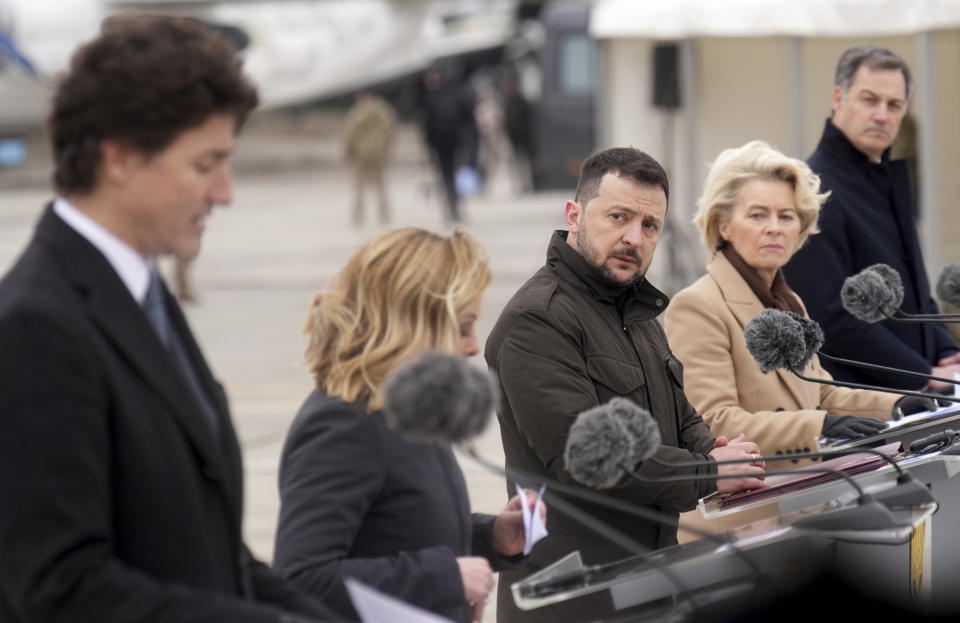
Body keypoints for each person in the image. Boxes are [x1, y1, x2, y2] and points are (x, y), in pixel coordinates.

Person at [0, 16, 331, 623]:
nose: (225, 193)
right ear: (121, 159)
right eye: (205, 166)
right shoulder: (35, 327)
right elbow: (60, 586)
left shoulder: (139, 296)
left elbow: (207, 554)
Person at [485, 147, 765, 623]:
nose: (633, 237)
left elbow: (680, 417)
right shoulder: (538, 320)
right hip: (572, 595)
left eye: (650, 225)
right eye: (618, 217)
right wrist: (708, 472)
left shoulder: (637, 312)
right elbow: (583, 457)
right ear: (574, 215)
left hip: (647, 579)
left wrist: (722, 452)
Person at [273, 228, 543, 623]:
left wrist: (492, 537)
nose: (472, 346)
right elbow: (301, 579)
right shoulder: (344, 425)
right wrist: (445, 577)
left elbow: (402, 530)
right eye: (464, 326)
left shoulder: (408, 413)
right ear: (415, 322)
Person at [665, 141, 933, 476]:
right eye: (757, 215)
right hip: (746, 509)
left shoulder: (788, 301)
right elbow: (713, 421)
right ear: (723, 226)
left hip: (802, 493)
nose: (774, 227)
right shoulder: (698, 305)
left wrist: (894, 404)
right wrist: (820, 425)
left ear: (800, 229)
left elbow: (818, 390)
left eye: (786, 216)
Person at [783, 45, 959, 390]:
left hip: (918, 396)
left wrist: (947, 350)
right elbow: (831, 316)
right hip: (861, 405)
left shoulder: (886, 179)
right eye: (869, 99)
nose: (882, 115)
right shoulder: (811, 188)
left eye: (894, 105)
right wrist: (922, 374)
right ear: (839, 98)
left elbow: (917, 294)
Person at [342, 90, 397, 227]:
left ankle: (359, 214)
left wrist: (347, 151)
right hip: (377, 151)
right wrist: (386, 148)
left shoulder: (357, 113)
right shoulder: (382, 110)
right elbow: (390, 130)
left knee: (360, 186)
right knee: (379, 185)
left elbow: (349, 133)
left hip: (362, 153)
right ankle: (383, 212)